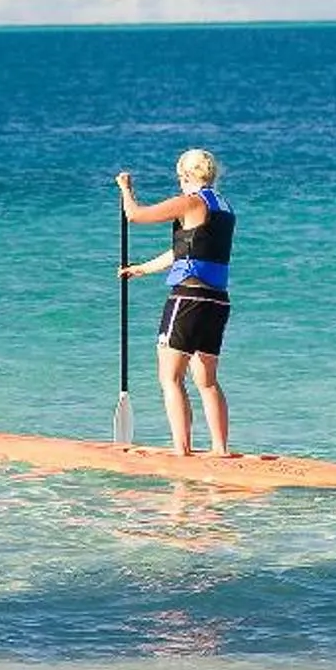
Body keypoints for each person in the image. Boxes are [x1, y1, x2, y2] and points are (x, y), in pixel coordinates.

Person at [117, 151, 232, 459]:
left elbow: (136, 215)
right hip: (217, 301)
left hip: (188, 299)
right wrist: (141, 268)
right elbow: (187, 250)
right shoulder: (223, 206)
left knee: (170, 377)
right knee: (207, 381)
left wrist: (126, 189)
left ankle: (182, 452)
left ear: (185, 175)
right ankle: (220, 451)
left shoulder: (190, 202)